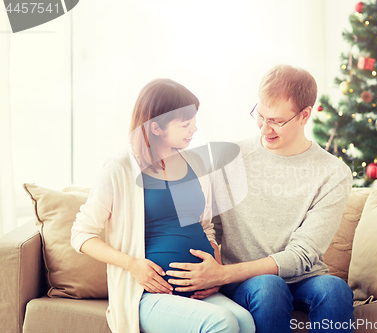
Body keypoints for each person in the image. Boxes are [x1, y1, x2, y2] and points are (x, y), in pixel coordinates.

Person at [165, 65, 354, 333]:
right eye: (260, 116)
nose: (265, 129)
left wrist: (223, 274)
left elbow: (302, 255)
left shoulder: (333, 172)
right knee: (269, 286)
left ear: (305, 115)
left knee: (335, 289)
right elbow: (210, 225)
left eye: (276, 121)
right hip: (247, 283)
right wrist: (214, 266)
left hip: (303, 278)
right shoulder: (229, 158)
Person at [70, 78, 255, 333]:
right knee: (222, 322)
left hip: (198, 291)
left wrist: (215, 267)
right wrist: (133, 265)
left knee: (245, 322)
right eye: (186, 124)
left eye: (194, 121)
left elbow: (206, 226)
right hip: (147, 294)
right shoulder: (120, 168)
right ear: (156, 128)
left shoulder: (195, 163)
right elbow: (81, 234)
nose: (194, 129)